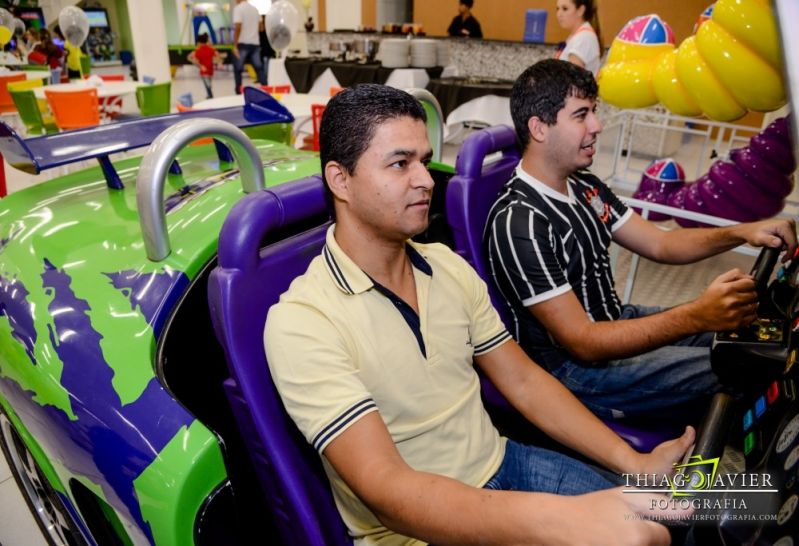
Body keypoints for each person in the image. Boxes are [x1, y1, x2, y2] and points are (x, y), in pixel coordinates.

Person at [265, 83, 694, 546]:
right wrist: (560, 521)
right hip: (413, 532)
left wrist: (635, 463)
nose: (426, 180)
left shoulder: (446, 266)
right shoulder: (303, 320)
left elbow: (524, 382)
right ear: (340, 179)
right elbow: (387, 491)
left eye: (424, 162)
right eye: (399, 163)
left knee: (679, 518)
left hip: (502, 462)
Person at [486, 59, 797, 423]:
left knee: (748, 338)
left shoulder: (584, 185)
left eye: (595, 112)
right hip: (576, 373)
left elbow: (661, 245)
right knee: (748, 363)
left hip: (613, 321)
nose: (597, 126)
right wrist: (696, 316)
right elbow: (583, 343)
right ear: (539, 128)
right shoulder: (519, 221)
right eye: (581, 115)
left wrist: (741, 232)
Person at [554, 0, 602, 75]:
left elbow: (573, 80)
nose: (559, 14)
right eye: (557, 9)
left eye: (565, 9)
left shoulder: (584, 38)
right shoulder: (576, 36)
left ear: (580, 10)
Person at [232, 0, 265, 94]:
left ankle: (238, 92)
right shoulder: (255, 9)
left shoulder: (238, 9)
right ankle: (266, 89)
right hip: (255, 43)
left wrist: (235, 45)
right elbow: (261, 28)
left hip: (242, 43)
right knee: (259, 68)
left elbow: (238, 27)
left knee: (238, 69)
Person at [188, 33, 223, 99]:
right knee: (208, 83)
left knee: (207, 84)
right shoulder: (211, 49)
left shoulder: (197, 51)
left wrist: (200, 66)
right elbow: (218, 55)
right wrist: (220, 63)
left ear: (199, 42)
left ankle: (210, 95)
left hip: (203, 71)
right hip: (210, 70)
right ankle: (209, 94)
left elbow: (190, 58)